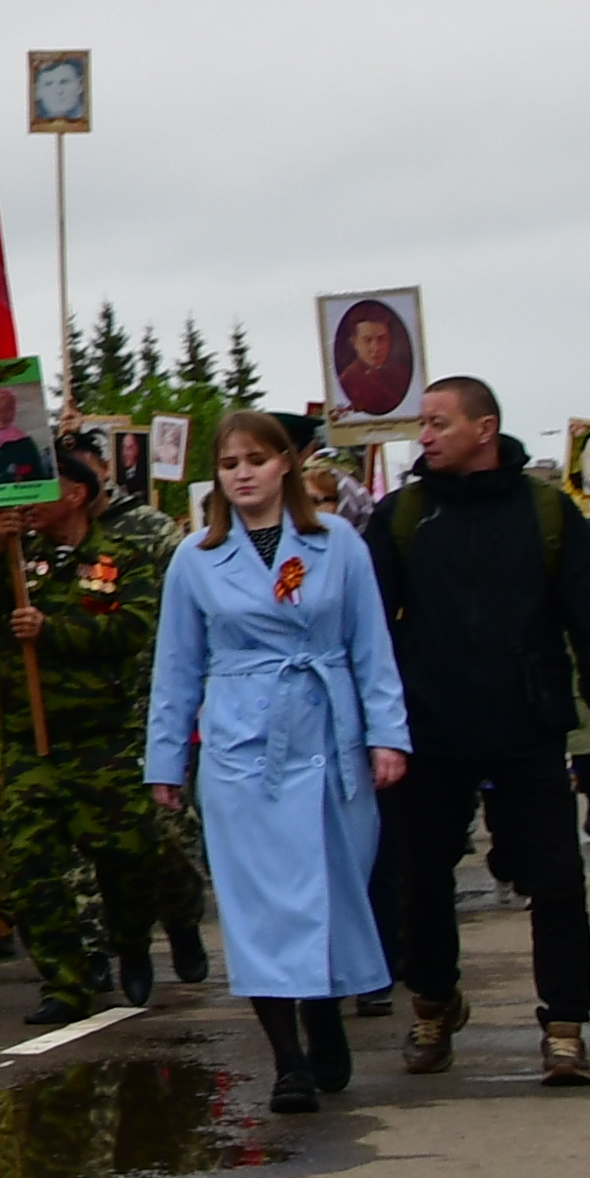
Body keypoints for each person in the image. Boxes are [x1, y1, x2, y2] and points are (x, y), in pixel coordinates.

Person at [366, 373, 590, 1084]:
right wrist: (375, 721)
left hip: (527, 726)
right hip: (429, 729)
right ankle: (433, 1006)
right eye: (421, 425)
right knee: (423, 883)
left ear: (484, 430)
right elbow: (366, 629)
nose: (423, 437)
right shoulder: (402, 517)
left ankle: (564, 1026)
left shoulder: (547, 513)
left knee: (555, 881)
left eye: (439, 423)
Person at [145, 407, 406, 1114]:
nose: (243, 475)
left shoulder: (337, 543)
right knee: (257, 906)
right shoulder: (195, 558)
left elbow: (370, 647)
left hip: (326, 738)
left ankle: (324, 1013)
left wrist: (389, 735)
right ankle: (286, 1059)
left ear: (285, 463)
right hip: (241, 750)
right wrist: (165, 763)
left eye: (256, 460)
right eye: (230, 465)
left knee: (328, 887)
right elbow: (176, 667)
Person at [0, 454, 179, 1024]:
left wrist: (55, 632)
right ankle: (66, 981)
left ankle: (131, 940)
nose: (26, 500)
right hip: (32, 743)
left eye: (40, 487)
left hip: (102, 740)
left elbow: (134, 628)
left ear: (77, 493)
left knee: (128, 859)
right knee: (28, 869)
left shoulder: (119, 555)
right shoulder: (17, 557)